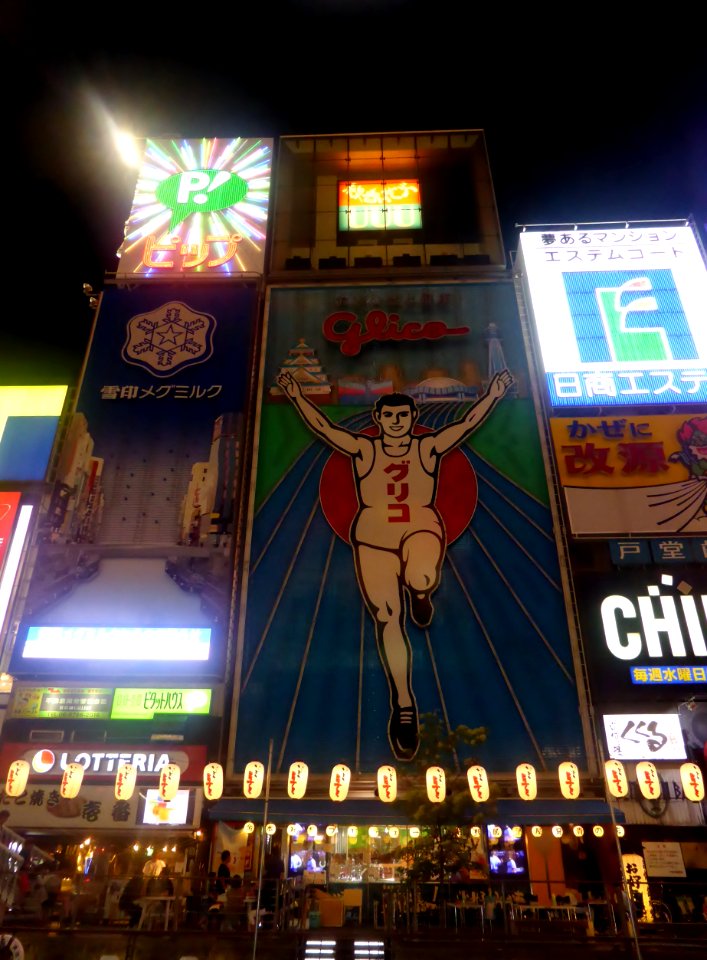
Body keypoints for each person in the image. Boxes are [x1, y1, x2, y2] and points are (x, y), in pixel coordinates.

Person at [278, 368, 513, 760]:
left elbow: (467, 422)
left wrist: (493, 394)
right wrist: (297, 397)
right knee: (388, 616)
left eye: (403, 416)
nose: (396, 422)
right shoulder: (364, 450)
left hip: (420, 526)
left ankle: (421, 591)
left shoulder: (428, 448)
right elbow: (323, 428)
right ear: (379, 419)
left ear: (412, 419)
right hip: (372, 537)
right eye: (389, 416)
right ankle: (403, 705)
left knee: (422, 574)